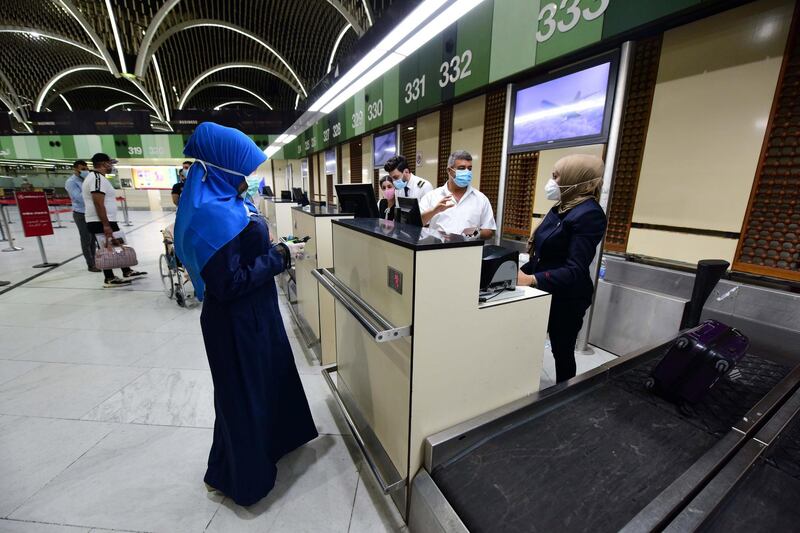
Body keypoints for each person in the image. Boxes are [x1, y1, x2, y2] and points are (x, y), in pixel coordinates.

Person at [174, 122, 317, 506]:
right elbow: (229, 283)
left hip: (259, 312)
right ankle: (241, 478)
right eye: (243, 171)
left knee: (267, 382)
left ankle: (274, 445)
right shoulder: (209, 216)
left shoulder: (230, 201)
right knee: (243, 396)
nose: (249, 178)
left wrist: (275, 247)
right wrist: (279, 257)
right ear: (221, 170)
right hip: (235, 322)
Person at [517, 154, 607, 383]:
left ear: (576, 180)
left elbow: (575, 269)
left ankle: (565, 396)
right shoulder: (561, 207)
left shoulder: (589, 214)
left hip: (567, 298)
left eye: (556, 177)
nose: (551, 182)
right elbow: (545, 254)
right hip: (544, 290)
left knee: (562, 350)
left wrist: (531, 279)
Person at [82, 153, 147, 287]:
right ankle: (109, 278)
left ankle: (126, 270)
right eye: (110, 163)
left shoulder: (98, 178)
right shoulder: (96, 179)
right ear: (103, 164)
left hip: (105, 220)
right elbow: (98, 203)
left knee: (117, 244)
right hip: (100, 221)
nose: (112, 166)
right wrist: (106, 225)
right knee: (105, 248)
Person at [419, 150, 496, 239]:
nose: (467, 172)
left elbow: (489, 230)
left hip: (468, 251)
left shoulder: (481, 199)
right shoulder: (432, 196)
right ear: (449, 170)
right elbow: (417, 223)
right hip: (438, 249)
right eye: (462, 168)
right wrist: (434, 211)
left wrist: (474, 233)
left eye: (469, 168)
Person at [64, 159, 99, 272]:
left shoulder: (88, 179)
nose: (85, 171)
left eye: (86, 169)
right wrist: (88, 187)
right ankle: (90, 264)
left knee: (93, 239)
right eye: (82, 169)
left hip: (92, 213)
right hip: (81, 213)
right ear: (75, 169)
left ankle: (95, 261)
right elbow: (79, 198)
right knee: (86, 239)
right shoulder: (71, 182)